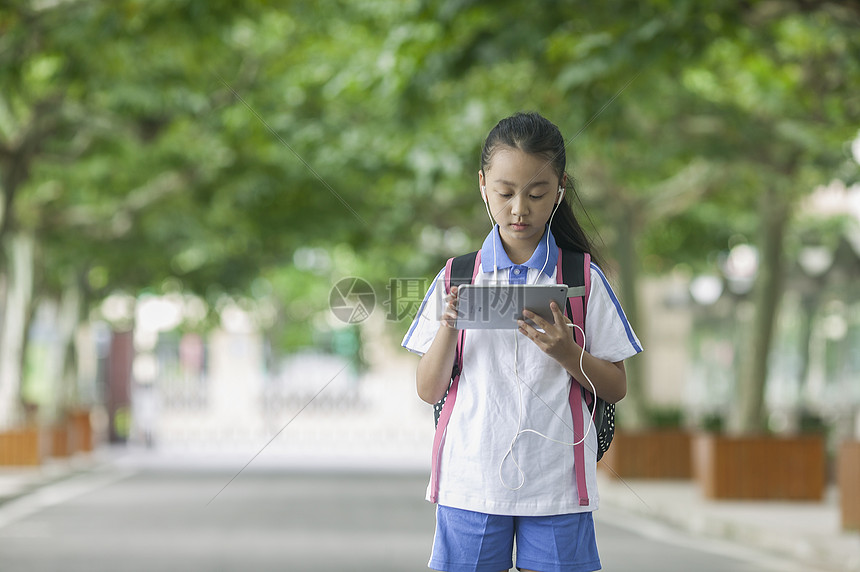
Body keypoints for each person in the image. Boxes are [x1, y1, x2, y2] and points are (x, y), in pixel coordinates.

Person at [401, 111, 643, 572]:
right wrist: (450, 324)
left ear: (560, 190)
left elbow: (615, 386)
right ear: (482, 186)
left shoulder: (581, 278)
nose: (519, 210)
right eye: (505, 193)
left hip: (557, 485)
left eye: (536, 194)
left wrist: (566, 352)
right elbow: (429, 390)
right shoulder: (458, 276)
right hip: (470, 482)